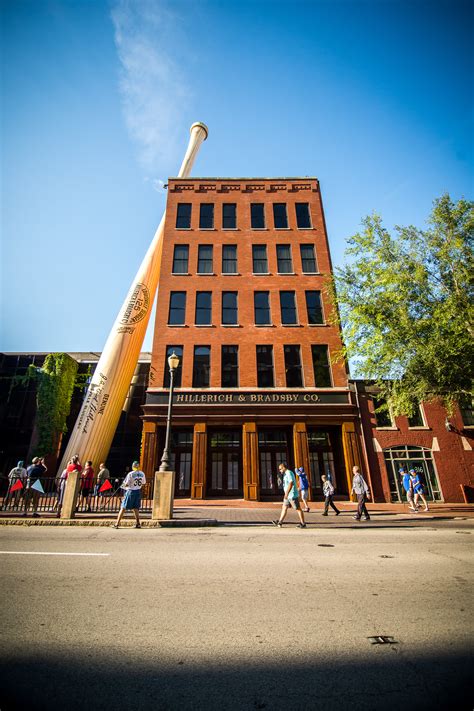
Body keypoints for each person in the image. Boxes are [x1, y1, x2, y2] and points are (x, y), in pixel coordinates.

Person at [272, 463, 306, 528]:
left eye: (280, 469)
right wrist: (286, 494)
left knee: (298, 508)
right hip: (287, 495)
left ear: (284, 467)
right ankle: (280, 522)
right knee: (284, 507)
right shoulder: (285, 474)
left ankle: (303, 523)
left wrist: (287, 493)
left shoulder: (289, 473)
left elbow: (291, 483)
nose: (280, 470)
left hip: (292, 495)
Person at [113, 461, 146, 529]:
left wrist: (122, 484)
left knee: (123, 507)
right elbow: (144, 482)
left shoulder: (130, 473)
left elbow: (127, 483)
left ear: (133, 466)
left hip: (130, 491)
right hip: (138, 491)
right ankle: (138, 523)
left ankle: (117, 523)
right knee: (135, 508)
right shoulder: (142, 473)